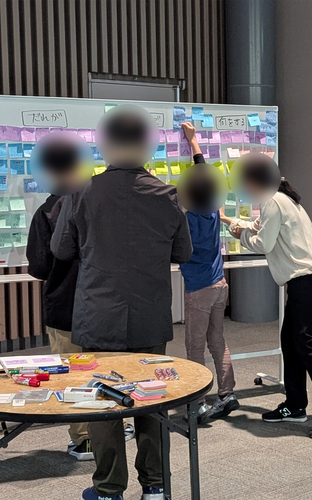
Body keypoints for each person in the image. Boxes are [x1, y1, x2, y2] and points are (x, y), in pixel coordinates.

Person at [51, 107, 192, 500]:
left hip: (98, 315)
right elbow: (183, 252)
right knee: (152, 399)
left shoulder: (81, 192)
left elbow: (61, 250)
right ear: (147, 146)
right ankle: (156, 486)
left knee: (103, 403)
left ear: (104, 145)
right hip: (149, 314)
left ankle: (109, 488)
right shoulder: (168, 195)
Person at [222, 161, 312, 440]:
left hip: (306, 279)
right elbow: (258, 227)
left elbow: (263, 243)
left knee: (307, 345)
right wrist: (228, 220)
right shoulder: (280, 198)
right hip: (307, 278)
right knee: (291, 343)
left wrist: (242, 235)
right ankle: (295, 405)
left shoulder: (273, 201)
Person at [27, 195, 98, 460]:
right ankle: (112, 430)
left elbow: (40, 266)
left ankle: (84, 439)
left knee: (72, 372)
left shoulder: (47, 212)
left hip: (64, 302)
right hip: (103, 305)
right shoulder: (100, 203)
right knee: (105, 369)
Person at [178, 122, 239, 423]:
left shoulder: (186, 219)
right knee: (218, 339)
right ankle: (227, 394)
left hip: (199, 289)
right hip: (219, 285)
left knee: (195, 346)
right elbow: (203, 175)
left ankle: (197, 403)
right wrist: (193, 142)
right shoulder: (214, 210)